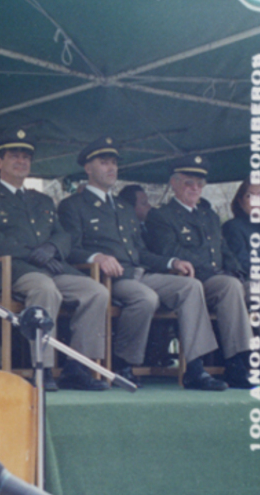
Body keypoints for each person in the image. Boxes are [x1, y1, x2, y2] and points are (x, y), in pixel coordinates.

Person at [58, 137, 226, 391]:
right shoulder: (73, 205)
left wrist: (172, 261)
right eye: (104, 163)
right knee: (145, 297)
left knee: (190, 286)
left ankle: (194, 367)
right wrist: (97, 257)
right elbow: (69, 248)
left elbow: (142, 252)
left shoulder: (125, 208)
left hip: (138, 271)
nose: (111, 168)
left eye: (114, 163)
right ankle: (124, 363)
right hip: (106, 277)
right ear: (88, 168)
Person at [0, 128, 110, 391]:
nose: (21, 162)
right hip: (12, 271)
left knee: (96, 291)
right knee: (45, 289)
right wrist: (35, 254)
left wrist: (52, 248)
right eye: (14, 156)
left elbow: (63, 235)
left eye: (26, 157)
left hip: (50, 267)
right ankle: (42, 369)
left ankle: (77, 367)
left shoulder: (41, 199)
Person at [145, 155, 254, 388]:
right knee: (221, 284)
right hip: (186, 279)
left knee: (232, 284)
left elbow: (223, 249)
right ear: (174, 184)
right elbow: (169, 250)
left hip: (214, 279)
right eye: (188, 183)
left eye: (200, 184)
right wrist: (215, 270)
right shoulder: (161, 216)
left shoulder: (209, 216)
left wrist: (235, 269)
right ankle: (197, 368)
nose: (195, 188)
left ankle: (236, 363)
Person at [222, 176, 260, 384]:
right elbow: (242, 262)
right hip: (247, 284)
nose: (257, 200)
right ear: (240, 201)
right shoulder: (234, 227)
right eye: (250, 195)